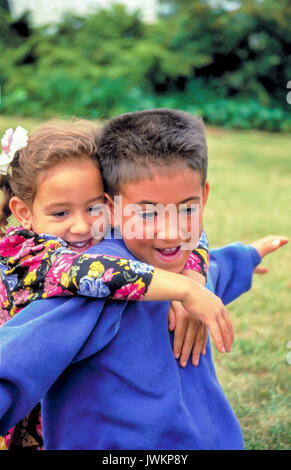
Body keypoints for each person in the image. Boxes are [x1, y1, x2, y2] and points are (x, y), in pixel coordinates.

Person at [0, 109, 287, 449]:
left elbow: (204, 264)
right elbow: (20, 359)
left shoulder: (164, 256)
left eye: (187, 209)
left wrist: (236, 262)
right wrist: (188, 289)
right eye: (149, 213)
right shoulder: (86, 284)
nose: (171, 231)